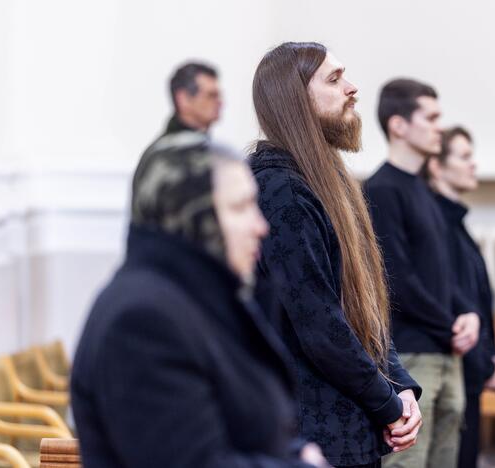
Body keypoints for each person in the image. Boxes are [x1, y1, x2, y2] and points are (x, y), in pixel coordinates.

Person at [71, 134, 328, 467]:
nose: (260, 226)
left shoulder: (202, 298)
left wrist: (292, 453)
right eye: (240, 207)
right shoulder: (142, 321)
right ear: (190, 215)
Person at [248, 42, 422, 468]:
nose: (352, 88)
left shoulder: (328, 182)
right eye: (334, 79)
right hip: (311, 433)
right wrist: (388, 404)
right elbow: (321, 325)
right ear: (295, 99)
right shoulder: (280, 189)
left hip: (348, 424)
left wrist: (400, 386)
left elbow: (365, 312)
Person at [364, 80, 480, 468]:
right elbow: (396, 280)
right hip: (412, 354)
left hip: (446, 352)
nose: (438, 128)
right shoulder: (382, 189)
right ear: (398, 125)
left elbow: (443, 271)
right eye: (430, 118)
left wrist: (467, 314)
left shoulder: (424, 192)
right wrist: (451, 325)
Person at [423, 126, 495, 468]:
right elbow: (454, 306)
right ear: (437, 167)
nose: (474, 165)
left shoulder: (455, 222)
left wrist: (491, 359)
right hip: (456, 367)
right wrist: (486, 366)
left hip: (469, 369)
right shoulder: (437, 224)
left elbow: (476, 301)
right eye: (464, 157)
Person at [165, 61, 222, 135]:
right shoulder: (171, 145)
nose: (220, 102)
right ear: (183, 99)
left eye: (218, 96)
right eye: (211, 95)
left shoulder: (206, 143)